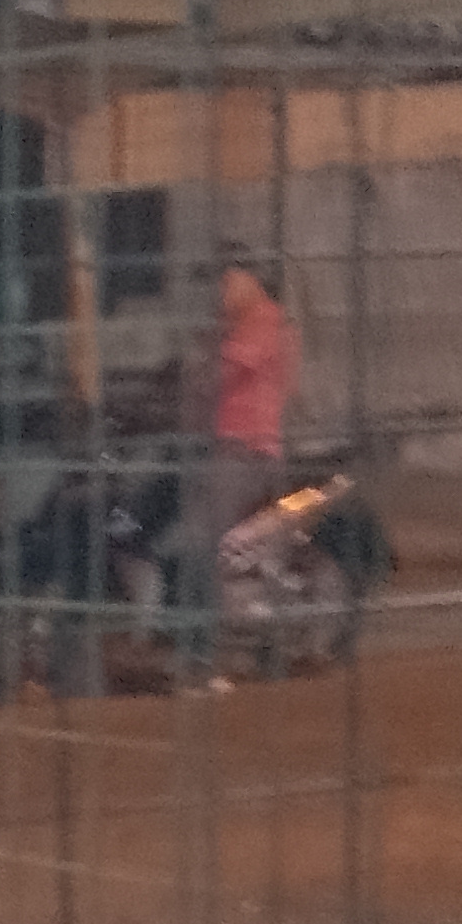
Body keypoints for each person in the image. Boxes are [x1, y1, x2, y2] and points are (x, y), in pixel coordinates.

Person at [177, 254, 299, 669]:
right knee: (240, 552)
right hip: (236, 452)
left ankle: (199, 654)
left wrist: (201, 360)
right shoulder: (241, 327)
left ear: (250, 280)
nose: (219, 293)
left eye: (226, 282)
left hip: (244, 453)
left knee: (198, 544)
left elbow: (211, 379)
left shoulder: (265, 320)